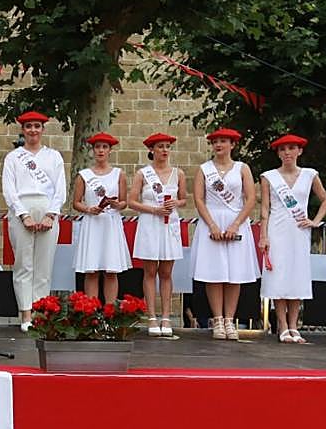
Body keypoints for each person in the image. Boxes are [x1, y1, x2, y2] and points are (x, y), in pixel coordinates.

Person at [258, 134, 326, 344]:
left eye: (291, 148)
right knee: (279, 276)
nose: (287, 152)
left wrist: (315, 221)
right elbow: (265, 209)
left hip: (299, 230)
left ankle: (294, 325)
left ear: (299, 151)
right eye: (283, 149)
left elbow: (325, 200)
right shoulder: (268, 176)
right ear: (278, 153)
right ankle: (281, 325)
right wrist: (263, 236)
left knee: (297, 276)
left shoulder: (310, 175)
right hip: (277, 229)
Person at [1, 111, 67, 331]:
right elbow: (9, 190)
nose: (33, 130)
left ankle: (40, 312)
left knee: (43, 265)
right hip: (22, 208)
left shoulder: (53, 156)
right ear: (23, 130)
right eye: (29, 126)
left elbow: (60, 189)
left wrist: (51, 215)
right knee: (23, 264)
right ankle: (25, 314)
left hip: (47, 208)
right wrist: (23, 215)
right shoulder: (13, 157)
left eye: (37, 126)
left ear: (43, 129)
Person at [192, 128, 259, 341]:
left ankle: (230, 319)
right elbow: (199, 198)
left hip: (235, 222)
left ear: (233, 144)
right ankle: (217, 319)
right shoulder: (204, 169)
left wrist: (236, 224)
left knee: (234, 272)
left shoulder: (242, 168)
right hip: (211, 222)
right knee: (214, 272)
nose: (219, 145)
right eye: (215, 142)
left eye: (223, 141)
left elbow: (250, 199)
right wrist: (211, 224)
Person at [129, 133, 187, 337]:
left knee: (166, 272)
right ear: (152, 150)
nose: (164, 150)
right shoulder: (143, 174)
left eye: (167, 146)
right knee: (150, 271)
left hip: (169, 224)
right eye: (160, 146)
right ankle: (151, 315)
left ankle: (166, 316)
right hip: (149, 223)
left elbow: (184, 200)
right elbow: (132, 201)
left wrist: (174, 204)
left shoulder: (178, 173)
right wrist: (153, 210)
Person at [72, 132, 130, 302]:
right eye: (98, 147)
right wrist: (89, 209)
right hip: (93, 223)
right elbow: (76, 202)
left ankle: (110, 313)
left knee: (111, 270)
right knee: (92, 270)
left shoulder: (119, 174)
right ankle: (92, 313)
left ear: (110, 150)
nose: (101, 151)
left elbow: (124, 201)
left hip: (111, 223)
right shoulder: (84, 175)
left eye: (105, 147)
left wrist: (117, 205)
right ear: (93, 150)